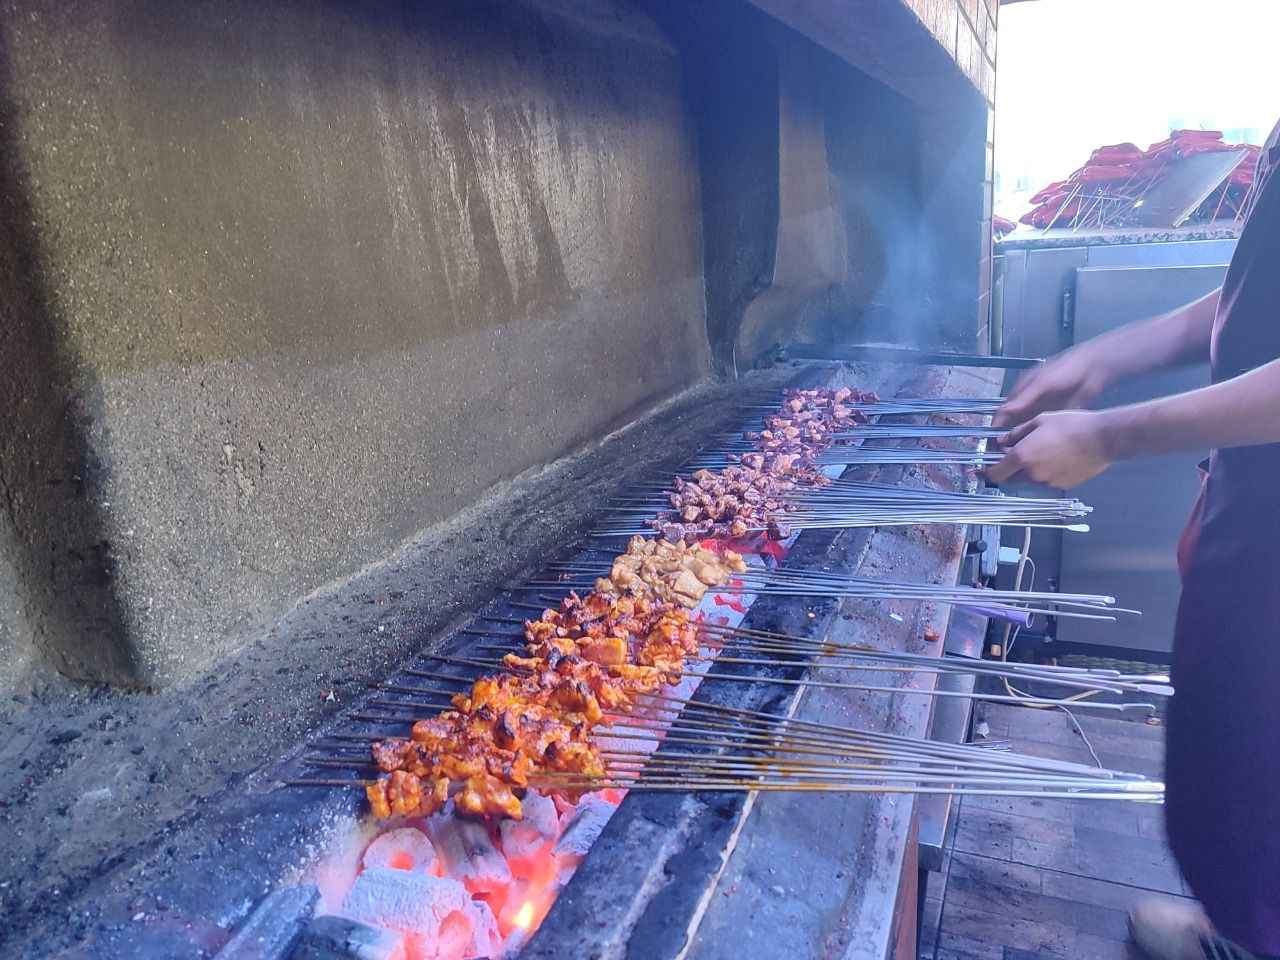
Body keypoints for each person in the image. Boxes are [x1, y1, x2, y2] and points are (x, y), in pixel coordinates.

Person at [988, 120, 1280, 960]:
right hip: (1253, 504)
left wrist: (1110, 436)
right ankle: (1241, 930)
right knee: (1235, 750)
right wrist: (1112, 354)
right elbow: (1256, 297)